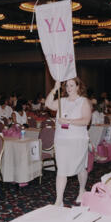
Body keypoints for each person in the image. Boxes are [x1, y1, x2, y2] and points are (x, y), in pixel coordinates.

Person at [45, 78, 91, 206]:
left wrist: (69, 121)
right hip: (61, 140)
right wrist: (54, 89)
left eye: (72, 85)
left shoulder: (84, 101)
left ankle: (82, 190)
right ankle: (58, 200)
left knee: (81, 167)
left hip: (78, 140)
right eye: (67, 85)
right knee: (62, 169)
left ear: (78, 87)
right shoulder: (62, 101)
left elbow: (86, 120)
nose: (69, 88)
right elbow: (48, 104)